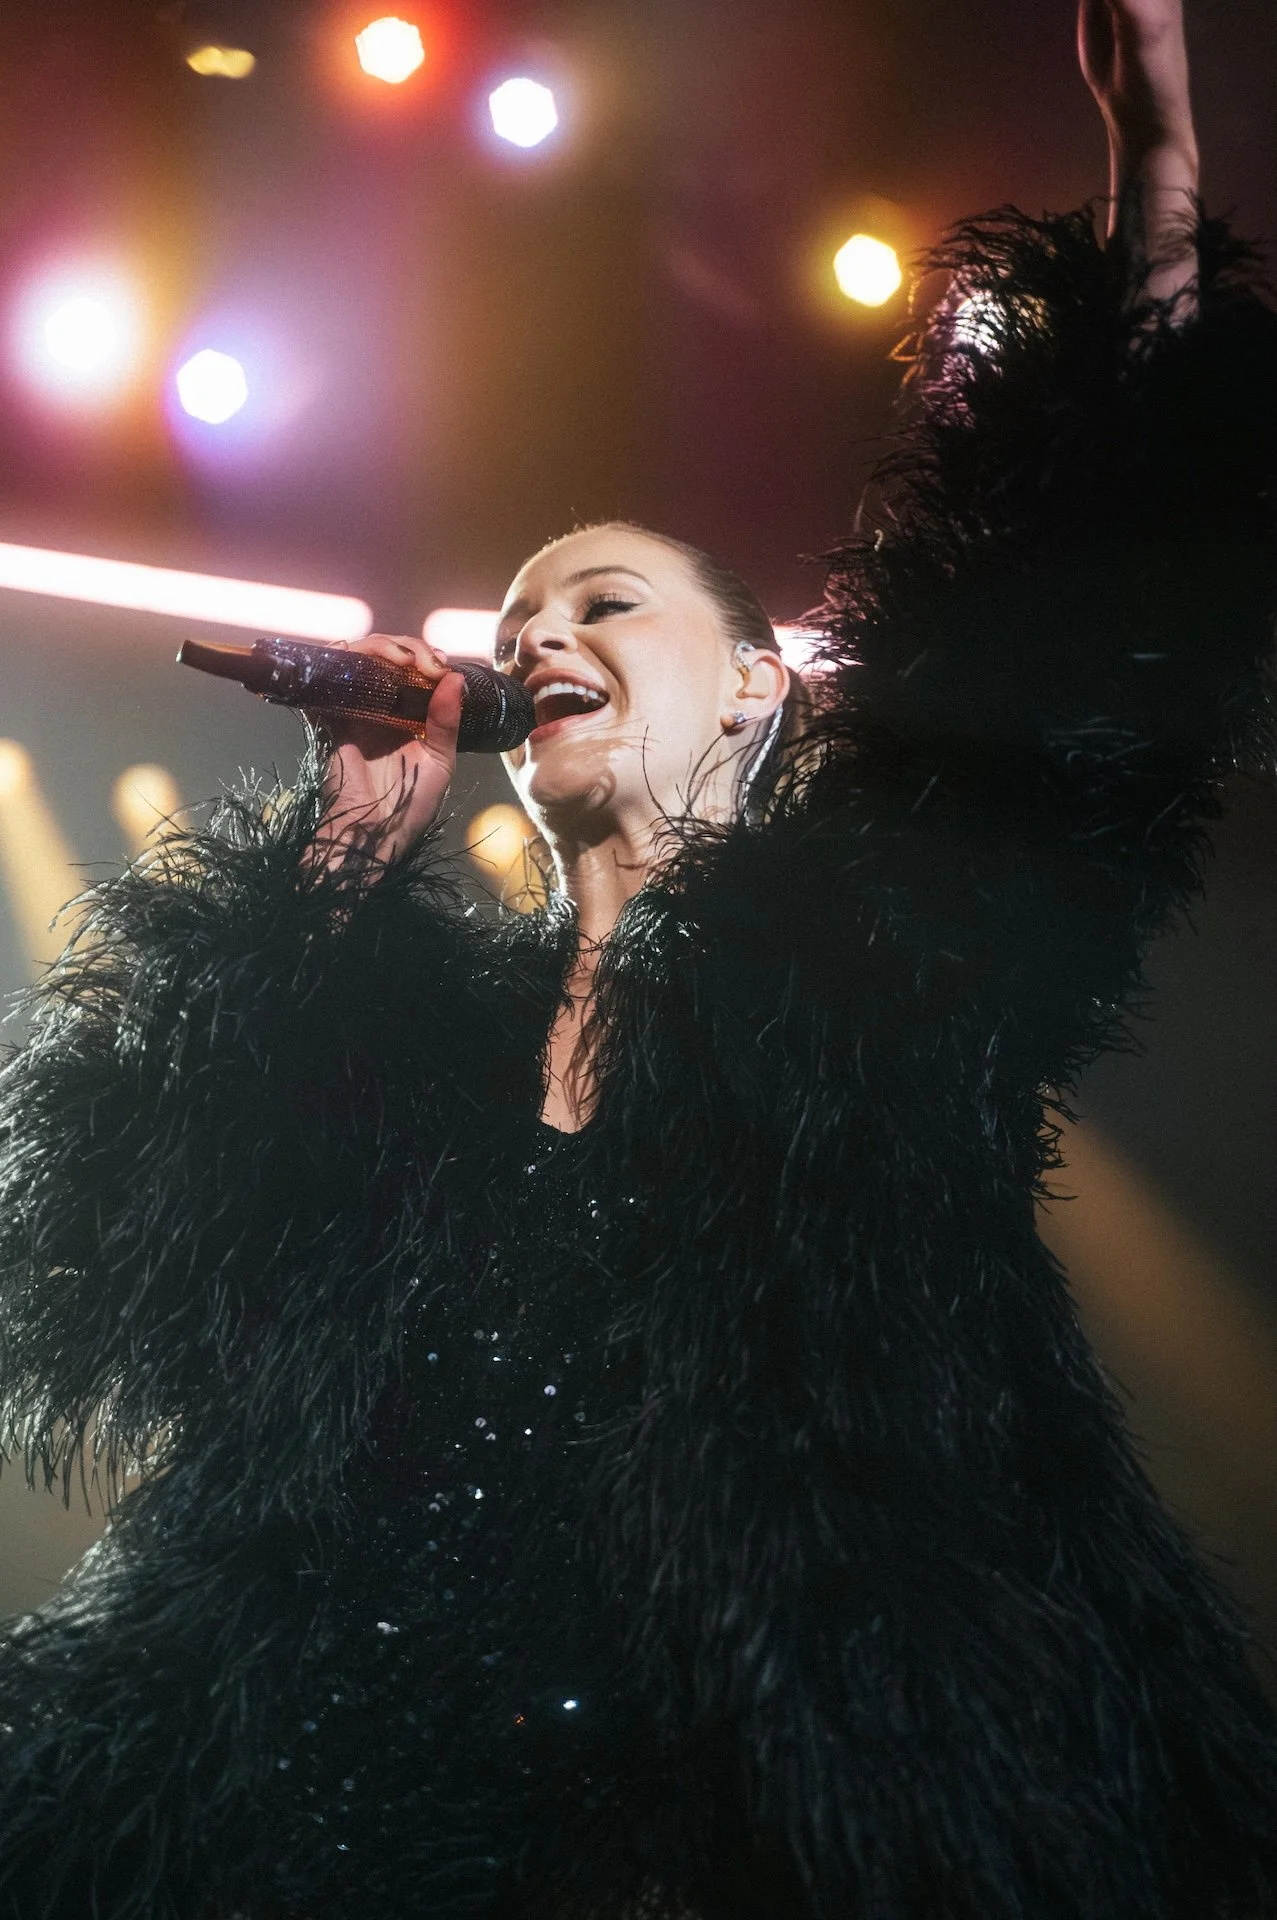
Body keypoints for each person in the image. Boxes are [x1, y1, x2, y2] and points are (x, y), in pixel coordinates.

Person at [1, 1, 1276, 1915]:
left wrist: (1158, 180)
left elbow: (1088, 632)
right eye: (521, 619)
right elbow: (110, 1286)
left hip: (756, 1830)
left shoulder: (876, 974)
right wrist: (336, 869)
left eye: (606, 602)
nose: (541, 637)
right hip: (343, 1824)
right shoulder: (407, 1055)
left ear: (757, 687)